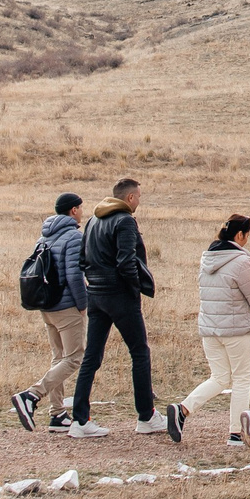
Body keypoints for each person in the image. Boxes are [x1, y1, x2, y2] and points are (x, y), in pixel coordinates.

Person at [72, 177, 181, 441]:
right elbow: (126, 261)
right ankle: (146, 416)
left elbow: (82, 259)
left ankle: (80, 420)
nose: (139, 201)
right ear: (130, 198)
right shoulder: (125, 221)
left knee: (92, 356)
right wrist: (134, 288)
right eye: (139, 197)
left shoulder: (93, 221)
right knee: (140, 353)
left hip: (95, 294)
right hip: (120, 295)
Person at [180, 213, 250, 446]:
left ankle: (183, 409)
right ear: (240, 235)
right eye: (247, 235)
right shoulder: (242, 261)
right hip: (237, 329)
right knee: (241, 379)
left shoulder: (207, 258)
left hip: (210, 328)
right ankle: (236, 432)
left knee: (219, 377)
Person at [12, 193, 88, 432]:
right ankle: (32, 395)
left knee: (59, 358)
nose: (82, 211)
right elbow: (75, 276)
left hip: (47, 305)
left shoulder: (44, 236)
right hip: (67, 307)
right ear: (73, 210)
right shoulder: (74, 237)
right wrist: (83, 304)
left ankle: (57, 414)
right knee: (74, 358)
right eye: (80, 208)